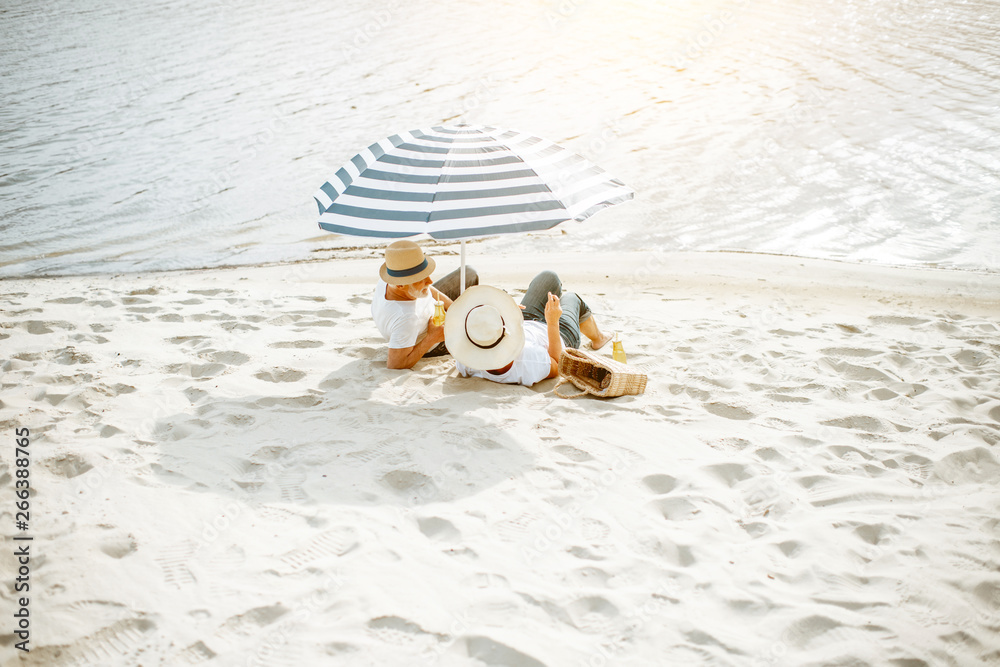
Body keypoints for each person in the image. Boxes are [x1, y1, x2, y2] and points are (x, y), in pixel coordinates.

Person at [445, 271, 612, 387]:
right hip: (558, 334)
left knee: (548, 277)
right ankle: (599, 339)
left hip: (522, 323)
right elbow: (557, 362)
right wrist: (552, 322)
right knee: (571, 297)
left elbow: (480, 327)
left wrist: (506, 312)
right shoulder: (529, 361)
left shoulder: (467, 361)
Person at [371, 240, 478, 369]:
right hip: (433, 338)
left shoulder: (391, 278)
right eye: (422, 279)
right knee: (481, 325)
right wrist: (432, 338)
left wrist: (453, 307)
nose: (430, 281)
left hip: (430, 305)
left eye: (426, 274)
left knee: (469, 273)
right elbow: (395, 364)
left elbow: (428, 288)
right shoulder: (406, 318)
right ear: (400, 284)